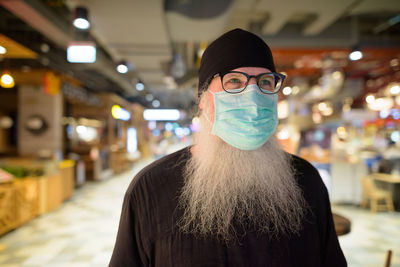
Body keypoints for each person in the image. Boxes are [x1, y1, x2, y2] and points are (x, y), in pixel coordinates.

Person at [109, 28, 347, 267]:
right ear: (203, 98)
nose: (253, 98)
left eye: (265, 82)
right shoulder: (150, 189)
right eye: (234, 81)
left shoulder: (306, 180)